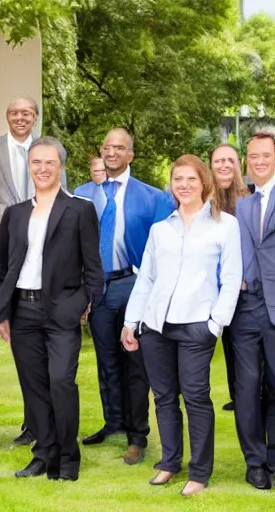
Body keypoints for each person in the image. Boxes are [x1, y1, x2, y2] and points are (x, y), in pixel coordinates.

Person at [122, 154, 242, 496]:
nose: (184, 186)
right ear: (171, 186)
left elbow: (231, 279)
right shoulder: (161, 230)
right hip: (156, 326)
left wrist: (215, 323)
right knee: (163, 397)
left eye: (191, 179)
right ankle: (169, 463)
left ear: (203, 182)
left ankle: (200, 472)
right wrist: (132, 322)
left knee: (196, 397)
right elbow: (146, 278)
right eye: (178, 180)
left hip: (196, 326)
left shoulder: (225, 225)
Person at [0, 136, 103, 481]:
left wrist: (80, 304)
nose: (42, 168)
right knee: (34, 387)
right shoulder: (15, 213)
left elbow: (94, 271)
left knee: (60, 382)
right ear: (29, 166)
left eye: (49, 162)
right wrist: (0, 311)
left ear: (61, 166)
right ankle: (43, 454)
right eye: (36, 162)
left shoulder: (80, 209)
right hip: (22, 311)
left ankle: (68, 458)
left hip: (61, 311)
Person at [75, 128, 172, 465]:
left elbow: (162, 251)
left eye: (119, 147)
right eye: (107, 147)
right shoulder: (84, 195)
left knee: (135, 363)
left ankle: (137, 436)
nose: (112, 152)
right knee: (107, 361)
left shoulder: (153, 197)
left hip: (134, 284)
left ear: (131, 154)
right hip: (98, 287)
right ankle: (113, 421)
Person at [0, 96, 68, 445]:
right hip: (7, 248)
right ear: (7, 116)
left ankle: (39, 426)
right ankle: (35, 426)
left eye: (26, 113)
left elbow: (63, 197)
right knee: (23, 351)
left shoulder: (50, 150)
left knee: (47, 354)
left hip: (44, 261)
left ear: (35, 118)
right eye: (14, 112)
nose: (20, 118)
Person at [230, 132, 275, 490]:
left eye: (265, 156)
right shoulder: (243, 206)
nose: (258, 162)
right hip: (246, 309)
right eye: (253, 156)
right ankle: (254, 461)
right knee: (246, 387)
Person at [210, 144, 250, 412]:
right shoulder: (205, 201)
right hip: (215, 288)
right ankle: (237, 395)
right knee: (227, 344)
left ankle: (251, 397)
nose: (224, 165)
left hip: (246, 288)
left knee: (245, 346)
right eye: (218, 160)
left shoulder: (250, 198)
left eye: (230, 160)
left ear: (238, 164)